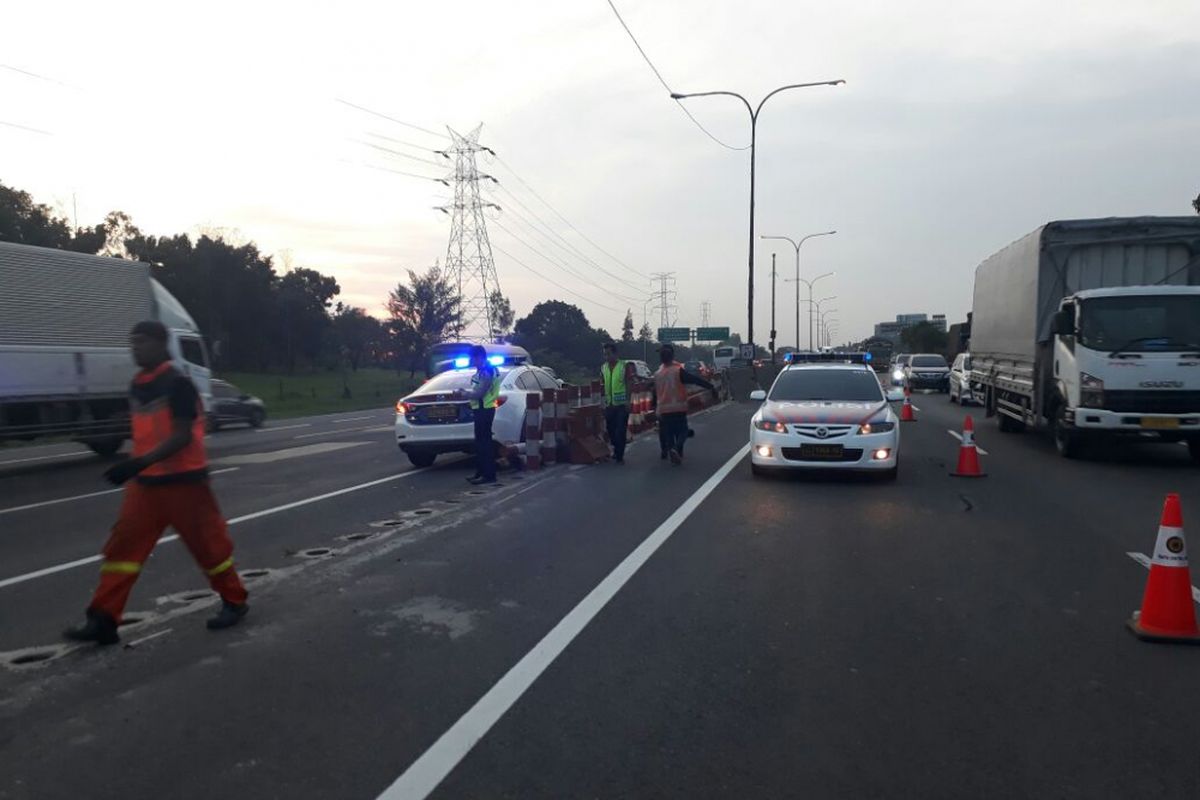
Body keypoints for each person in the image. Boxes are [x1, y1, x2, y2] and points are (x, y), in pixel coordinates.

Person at [64, 321, 249, 646]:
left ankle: (234, 601)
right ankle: (103, 619)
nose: (136, 348)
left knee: (209, 547)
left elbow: (180, 436)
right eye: (132, 343)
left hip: (185, 483)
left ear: (162, 344)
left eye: (143, 342)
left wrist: (137, 463)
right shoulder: (138, 384)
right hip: (146, 485)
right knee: (122, 549)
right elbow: (141, 429)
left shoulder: (177, 383)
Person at [652, 344, 718, 465]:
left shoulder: (658, 374)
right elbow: (694, 379)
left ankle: (673, 451)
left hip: (664, 410)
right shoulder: (677, 370)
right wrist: (711, 387)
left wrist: (655, 408)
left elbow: (654, 393)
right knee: (683, 430)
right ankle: (676, 449)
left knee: (669, 433)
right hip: (678, 407)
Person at [458, 344, 501, 485]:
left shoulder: (487, 371)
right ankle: (480, 472)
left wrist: (463, 394)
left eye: (473, 358)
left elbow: (480, 393)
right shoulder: (482, 371)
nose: (472, 361)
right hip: (480, 408)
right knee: (480, 443)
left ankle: (488, 475)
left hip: (485, 409)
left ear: (480, 357)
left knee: (484, 444)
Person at [600, 342, 637, 464]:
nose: (606, 357)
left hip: (621, 405)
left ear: (615, 354)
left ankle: (620, 455)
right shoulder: (603, 367)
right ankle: (616, 450)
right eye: (605, 354)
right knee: (611, 430)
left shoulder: (623, 366)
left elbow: (629, 383)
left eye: (608, 354)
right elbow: (602, 384)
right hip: (609, 405)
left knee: (620, 430)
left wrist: (628, 400)